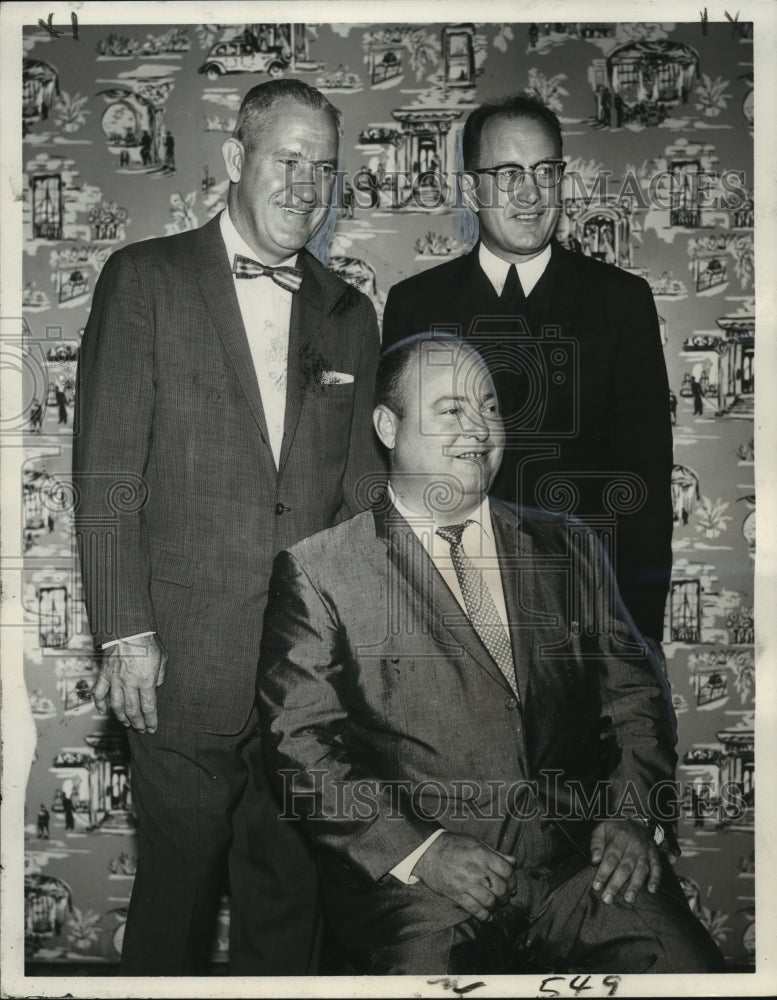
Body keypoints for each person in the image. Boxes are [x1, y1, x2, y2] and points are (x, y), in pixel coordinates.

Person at [258, 334, 724, 975]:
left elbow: (634, 697)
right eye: (451, 410)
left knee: (688, 969)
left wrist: (633, 817)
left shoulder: (568, 544)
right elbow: (298, 744)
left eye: (489, 407)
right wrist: (421, 852)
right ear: (388, 427)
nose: (478, 428)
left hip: (583, 872)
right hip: (422, 896)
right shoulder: (321, 572)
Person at [73, 79, 384, 975]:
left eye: (324, 169)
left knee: (287, 902)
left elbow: (359, 497)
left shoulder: (349, 312)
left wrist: (350, 657)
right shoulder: (146, 280)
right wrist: (125, 632)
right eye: (287, 161)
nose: (306, 186)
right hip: (177, 656)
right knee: (175, 899)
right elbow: (106, 472)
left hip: (302, 673)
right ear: (236, 160)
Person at [382, 94, 673, 646]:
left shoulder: (622, 302)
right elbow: (403, 486)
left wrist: (636, 650)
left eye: (545, 171)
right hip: (453, 626)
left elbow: (646, 494)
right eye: (508, 173)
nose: (530, 193)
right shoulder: (414, 305)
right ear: (470, 190)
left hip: (588, 627)